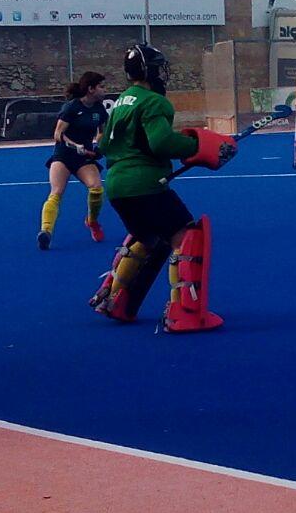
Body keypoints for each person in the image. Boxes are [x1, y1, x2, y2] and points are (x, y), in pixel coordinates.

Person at [90, 43, 236, 332]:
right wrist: (198, 145)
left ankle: (115, 298)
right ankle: (184, 313)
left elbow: (104, 144)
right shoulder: (154, 102)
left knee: (147, 238)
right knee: (185, 236)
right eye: (158, 68)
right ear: (149, 71)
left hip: (118, 186)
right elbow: (161, 143)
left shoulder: (122, 101)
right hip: (145, 184)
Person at [38, 71, 109, 250]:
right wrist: (74, 145)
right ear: (91, 89)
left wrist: (100, 145)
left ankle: (92, 222)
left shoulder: (99, 109)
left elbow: (102, 132)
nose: (105, 90)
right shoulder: (72, 107)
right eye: (101, 86)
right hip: (63, 155)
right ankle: (46, 231)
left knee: (97, 189)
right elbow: (57, 134)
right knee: (56, 192)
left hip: (84, 158)